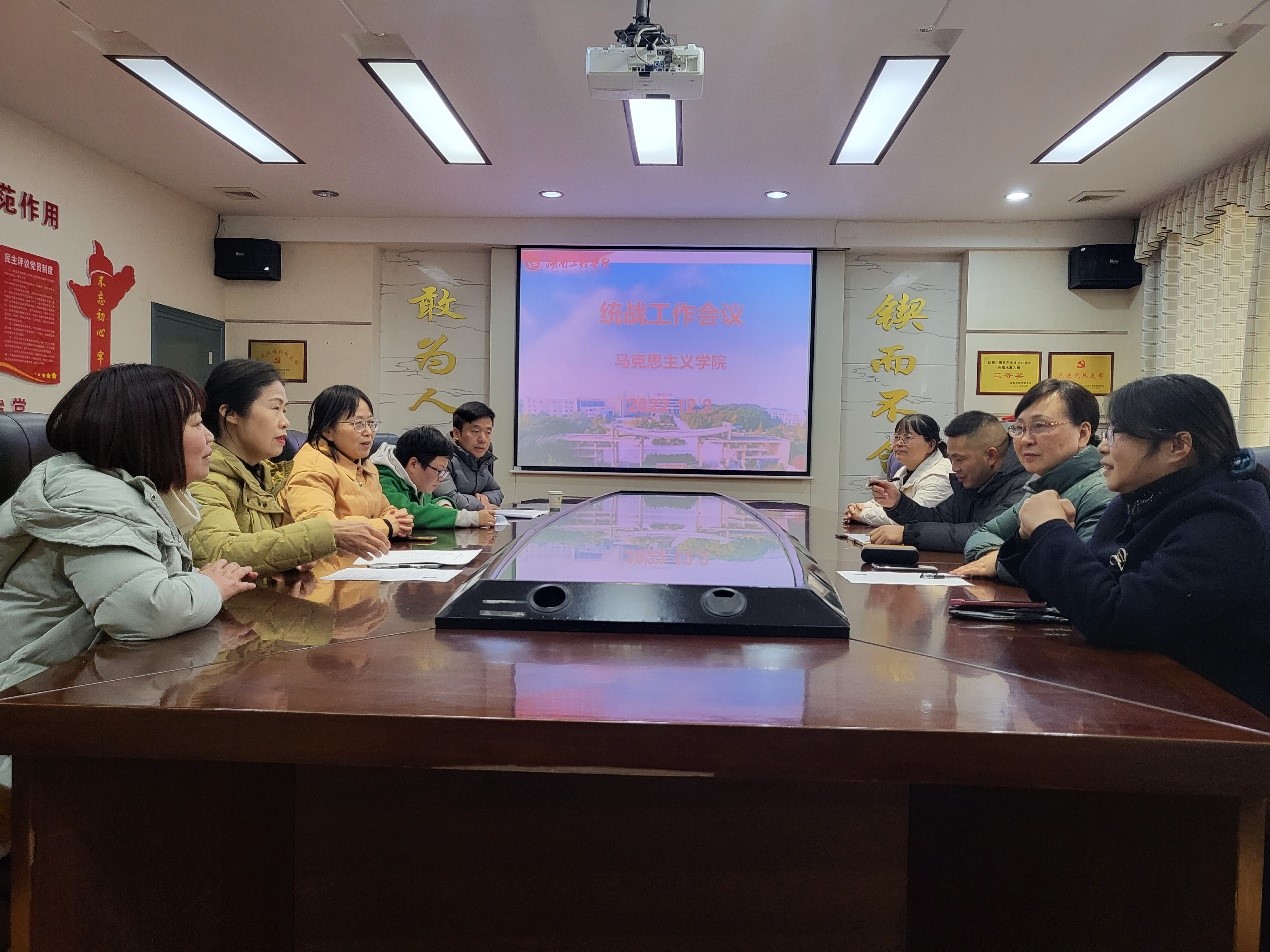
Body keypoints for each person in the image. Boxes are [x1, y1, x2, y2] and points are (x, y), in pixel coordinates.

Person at [997, 374, 1270, 714]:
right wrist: (1032, 536)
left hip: (1223, 715)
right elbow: (1086, 592)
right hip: (1148, 691)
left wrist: (1050, 530)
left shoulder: (1228, 518)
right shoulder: (1139, 498)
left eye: (1116, 434)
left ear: (1177, 446)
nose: (1102, 446)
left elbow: (1117, 618)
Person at [0, 364, 257, 699]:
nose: (209, 436)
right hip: (25, 696)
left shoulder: (130, 491)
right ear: (150, 435)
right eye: (196, 423)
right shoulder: (92, 498)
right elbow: (147, 611)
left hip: (71, 683)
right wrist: (211, 586)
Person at [189, 360, 392, 573]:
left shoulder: (269, 477)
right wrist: (327, 534)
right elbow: (219, 553)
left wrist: (290, 564)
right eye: (275, 408)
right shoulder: (204, 479)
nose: (285, 421)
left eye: (284, 410)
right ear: (231, 413)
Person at [955, 378, 1112, 582]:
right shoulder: (1041, 485)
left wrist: (1003, 562)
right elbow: (983, 534)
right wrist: (995, 555)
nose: (1026, 439)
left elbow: (1080, 577)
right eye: (1019, 428)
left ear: (1083, 433)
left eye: (1040, 426)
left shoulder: (1101, 492)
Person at [865, 410, 1030, 551]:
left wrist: (907, 534)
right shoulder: (974, 482)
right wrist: (898, 503)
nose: (954, 467)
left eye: (960, 459)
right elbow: (937, 518)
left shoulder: (1023, 486)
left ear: (991, 456)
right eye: (951, 459)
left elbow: (984, 532)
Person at [279, 385, 414, 539]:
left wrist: (399, 519)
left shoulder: (365, 465)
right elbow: (322, 530)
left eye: (371, 423)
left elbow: (383, 509)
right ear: (328, 431)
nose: (369, 432)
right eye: (359, 424)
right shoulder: (312, 467)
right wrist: (387, 526)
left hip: (362, 551)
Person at [371, 425, 496, 529]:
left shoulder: (416, 480)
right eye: (439, 471)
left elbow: (428, 503)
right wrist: (470, 518)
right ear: (413, 464)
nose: (441, 479)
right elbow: (408, 512)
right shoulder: (381, 479)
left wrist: (443, 503)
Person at [843, 413, 953, 527]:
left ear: (931, 445)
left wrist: (862, 514)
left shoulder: (940, 475)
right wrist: (860, 507)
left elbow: (912, 517)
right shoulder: (904, 470)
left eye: (907, 438)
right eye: (897, 437)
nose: (899, 443)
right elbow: (884, 502)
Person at [436, 401, 502, 511]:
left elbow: (497, 492)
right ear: (456, 433)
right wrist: (480, 504)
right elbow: (448, 498)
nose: (483, 439)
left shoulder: (480, 459)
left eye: (488, 432)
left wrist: (486, 498)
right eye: (476, 431)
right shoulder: (441, 456)